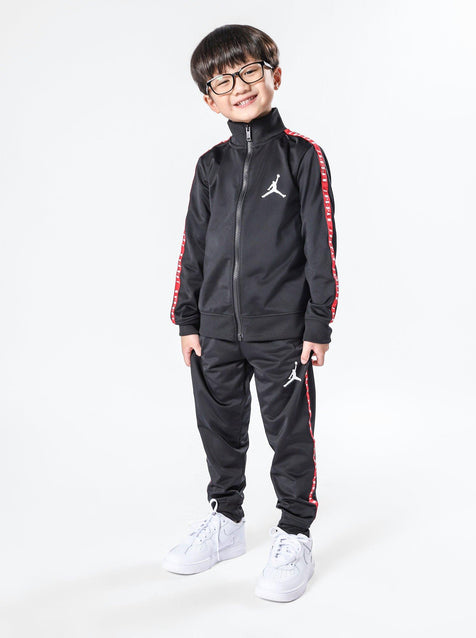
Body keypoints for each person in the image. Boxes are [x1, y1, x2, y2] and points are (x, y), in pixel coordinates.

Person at [162, 24, 339, 603]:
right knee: (218, 430)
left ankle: (295, 532)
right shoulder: (210, 166)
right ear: (209, 100)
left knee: (290, 435)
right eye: (221, 80)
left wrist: (318, 322)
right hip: (215, 329)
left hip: (282, 330)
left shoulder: (302, 157)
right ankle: (226, 521)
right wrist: (187, 319)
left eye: (248, 71)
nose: (237, 86)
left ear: (274, 76)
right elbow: (193, 247)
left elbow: (321, 245)